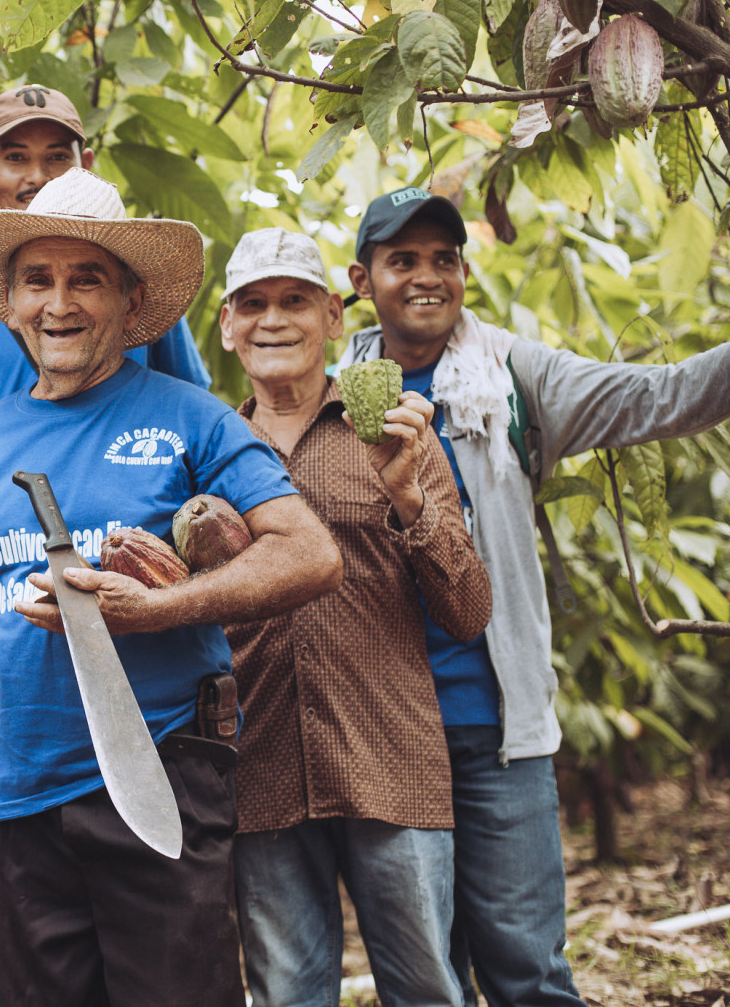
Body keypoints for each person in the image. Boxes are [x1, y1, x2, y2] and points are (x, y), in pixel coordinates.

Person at [0, 168, 342, 1006]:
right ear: (11, 301)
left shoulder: (190, 416)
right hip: (19, 792)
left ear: (131, 304)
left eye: (85, 279)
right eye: (38, 280)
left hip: (162, 770)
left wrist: (159, 609)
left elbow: (309, 553)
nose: (58, 303)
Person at [337, 187, 730, 1006]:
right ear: (362, 278)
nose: (428, 277)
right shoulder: (329, 391)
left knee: (529, 970)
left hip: (499, 731)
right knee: (424, 982)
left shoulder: (512, 376)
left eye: (445, 259)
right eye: (403, 260)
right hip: (386, 738)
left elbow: (663, 396)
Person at [0, 83, 213, 1006]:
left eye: (53, 156)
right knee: (3, 892)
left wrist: (179, 580)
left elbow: (207, 457)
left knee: (157, 915)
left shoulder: (150, 335)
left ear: (83, 163)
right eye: (14, 158)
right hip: (1, 640)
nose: (34, 175)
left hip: (139, 664)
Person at [219, 228, 491, 1006]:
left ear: (334, 315)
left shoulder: (395, 428)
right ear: (230, 325)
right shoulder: (211, 447)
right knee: (285, 993)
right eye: (255, 304)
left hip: (389, 759)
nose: (275, 320)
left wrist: (408, 496)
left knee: (429, 988)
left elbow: (469, 610)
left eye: (295, 301)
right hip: (261, 770)